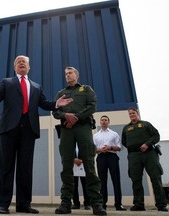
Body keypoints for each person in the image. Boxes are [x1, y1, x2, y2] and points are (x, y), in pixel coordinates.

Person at [0, 55, 73, 214]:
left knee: (25, 168)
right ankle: (3, 204)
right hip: (9, 129)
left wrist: (56, 104)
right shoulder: (7, 82)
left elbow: (44, 104)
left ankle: (24, 204)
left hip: (28, 130)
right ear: (15, 67)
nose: (21, 63)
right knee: (5, 167)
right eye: (18, 62)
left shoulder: (36, 86)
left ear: (29, 67)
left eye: (24, 62)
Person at [52, 66, 106, 215]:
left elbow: (92, 106)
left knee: (89, 163)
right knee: (66, 165)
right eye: (65, 74)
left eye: (70, 73)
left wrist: (75, 117)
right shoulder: (61, 93)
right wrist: (65, 116)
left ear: (76, 75)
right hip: (66, 130)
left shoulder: (86, 89)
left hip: (83, 127)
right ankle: (65, 203)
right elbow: (55, 111)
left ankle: (96, 203)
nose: (67, 75)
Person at [122, 107, 168, 212]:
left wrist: (147, 144)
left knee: (156, 178)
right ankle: (139, 204)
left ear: (137, 113)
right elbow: (124, 142)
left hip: (149, 154)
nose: (131, 115)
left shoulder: (146, 124)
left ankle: (161, 204)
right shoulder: (126, 128)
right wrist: (134, 147)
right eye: (130, 114)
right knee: (135, 180)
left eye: (133, 113)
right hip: (134, 155)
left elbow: (156, 135)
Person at [93, 115, 127, 211]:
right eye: (102, 120)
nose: (104, 121)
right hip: (101, 157)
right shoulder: (95, 135)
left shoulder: (114, 134)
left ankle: (118, 204)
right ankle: (102, 204)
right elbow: (93, 149)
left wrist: (110, 148)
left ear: (108, 122)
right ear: (100, 122)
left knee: (116, 180)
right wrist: (100, 149)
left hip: (112, 156)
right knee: (102, 181)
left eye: (106, 120)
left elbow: (119, 147)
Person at [72, 146, 90, 210]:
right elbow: (66, 152)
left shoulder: (83, 141)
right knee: (74, 185)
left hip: (83, 165)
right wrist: (73, 159)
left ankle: (87, 203)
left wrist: (82, 160)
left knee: (85, 184)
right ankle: (76, 203)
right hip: (73, 165)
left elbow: (89, 151)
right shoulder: (71, 142)